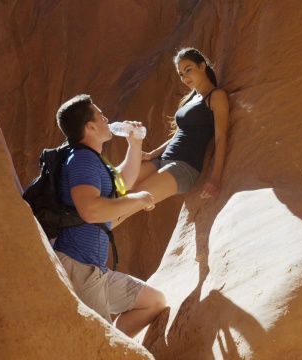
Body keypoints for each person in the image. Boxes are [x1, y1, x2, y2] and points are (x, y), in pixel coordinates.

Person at [53, 94, 167, 338]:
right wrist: (138, 199)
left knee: (153, 301)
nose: (107, 119)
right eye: (100, 115)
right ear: (90, 126)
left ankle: (119, 347)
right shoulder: (82, 160)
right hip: (79, 269)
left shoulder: (93, 160)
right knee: (95, 343)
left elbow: (124, 181)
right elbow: (91, 210)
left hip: (95, 270)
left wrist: (134, 145)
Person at [113, 47, 229, 226]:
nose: (185, 78)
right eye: (181, 74)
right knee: (116, 187)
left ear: (202, 66)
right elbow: (179, 134)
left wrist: (215, 177)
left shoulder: (216, 96)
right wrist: (152, 154)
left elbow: (221, 137)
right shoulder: (193, 98)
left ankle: (81, 246)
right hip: (162, 160)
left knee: (128, 202)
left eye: (188, 70)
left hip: (183, 167)